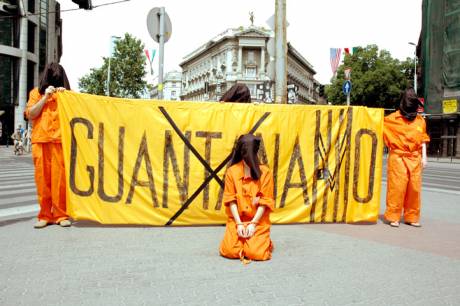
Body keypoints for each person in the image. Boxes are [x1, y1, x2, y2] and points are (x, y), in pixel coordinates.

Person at [25, 63, 71, 228]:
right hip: (41, 141)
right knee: (42, 181)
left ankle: (61, 215)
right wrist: (45, 97)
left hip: (60, 142)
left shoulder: (67, 95)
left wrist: (67, 98)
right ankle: (45, 215)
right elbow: (30, 114)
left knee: (60, 181)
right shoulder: (35, 93)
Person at [219, 134, 275, 263]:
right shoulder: (232, 171)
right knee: (229, 251)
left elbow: (265, 201)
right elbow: (230, 199)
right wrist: (238, 224)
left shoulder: (265, 172)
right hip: (237, 219)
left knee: (256, 254)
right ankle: (247, 241)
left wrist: (253, 223)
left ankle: (264, 242)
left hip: (258, 219)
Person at [383, 88, 430, 228]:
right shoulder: (391, 119)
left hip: (415, 157)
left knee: (414, 188)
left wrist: (424, 157)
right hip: (398, 157)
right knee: (397, 187)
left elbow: (423, 139)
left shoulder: (420, 121)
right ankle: (393, 216)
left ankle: (412, 216)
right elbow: (374, 125)